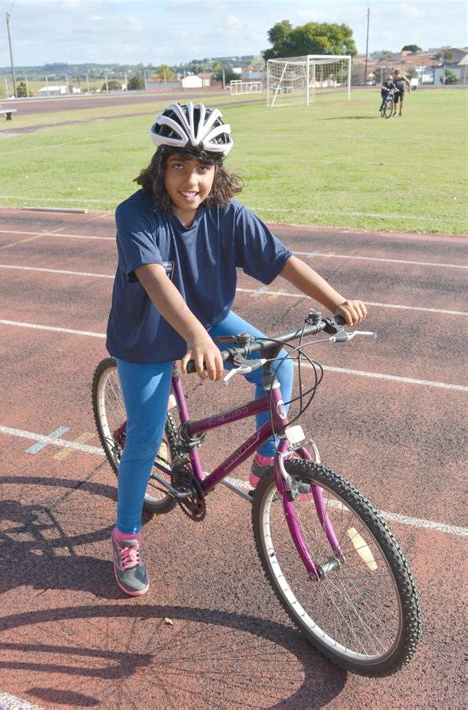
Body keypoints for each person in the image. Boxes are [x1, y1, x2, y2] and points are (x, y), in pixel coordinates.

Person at [106, 101, 367, 596]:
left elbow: (282, 260)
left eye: (203, 167)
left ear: (216, 171)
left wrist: (337, 301)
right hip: (145, 333)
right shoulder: (135, 214)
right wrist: (196, 338)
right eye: (179, 165)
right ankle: (125, 536)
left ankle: (267, 461)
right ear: (160, 165)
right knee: (143, 438)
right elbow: (155, 281)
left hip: (209, 318)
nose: (191, 180)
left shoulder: (228, 214)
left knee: (279, 361)